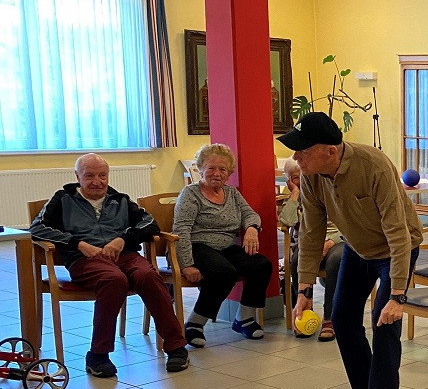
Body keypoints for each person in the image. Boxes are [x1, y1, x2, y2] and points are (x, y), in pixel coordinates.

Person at [280, 112, 423, 389]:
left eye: (303, 150)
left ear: (331, 150)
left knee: (384, 324)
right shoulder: (312, 175)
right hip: (358, 250)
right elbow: (311, 231)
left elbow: (398, 232)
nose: (296, 157)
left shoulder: (374, 165)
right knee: (342, 319)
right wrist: (304, 290)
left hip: (395, 249)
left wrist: (397, 296)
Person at [30, 154, 189, 376]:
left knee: (148, 275)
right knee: (114, 280)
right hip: (85, 259)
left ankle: (176, 347)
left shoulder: (121, 199)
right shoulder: (62, 199)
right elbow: (37, 228)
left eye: (102, 176)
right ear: (78, 177)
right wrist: (78, 244)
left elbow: (150, 224)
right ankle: (98, 354)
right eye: (89, 176)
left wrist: (123, 239)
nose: (97, 181)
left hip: (125, 255)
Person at [174, 144, 273, 347]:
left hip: (226, 247)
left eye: (223, 169)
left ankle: (244, 319)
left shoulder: (232, 193)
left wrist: (252, 228)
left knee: (262, 264)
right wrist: (186, 265)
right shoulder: (191, 194)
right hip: (197, 246)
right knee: (224, 272)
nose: (217, 174)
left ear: (229, 173)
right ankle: (194, 323)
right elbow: (181, 230)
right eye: (211, 168)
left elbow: (250, 214)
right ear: (200, 169)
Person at [278, 157, 344, 341]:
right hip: (308, 244)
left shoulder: (330, 191)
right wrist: (295, 194)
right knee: (297, 258)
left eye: (304, 175)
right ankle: (304, 312)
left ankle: (330, 318)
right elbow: (287, 221)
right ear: (290, 180)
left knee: (336, 260)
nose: (303, 180)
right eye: (296, 177)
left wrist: (330, 242)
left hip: (337, 240)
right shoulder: (296, 198)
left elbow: (348, 224)